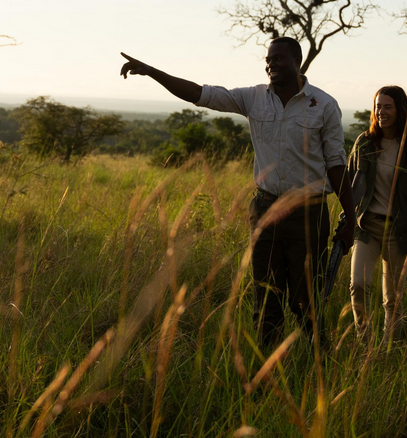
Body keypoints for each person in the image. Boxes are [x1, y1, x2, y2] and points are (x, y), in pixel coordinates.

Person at [119, 38, 357, 346]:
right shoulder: (253, 98)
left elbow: (336, 163)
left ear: (297, 61)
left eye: (278, 59)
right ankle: (264, 377)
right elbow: (199, 94)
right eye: (268, 59)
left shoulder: (324, 105)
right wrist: (152, 71)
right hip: (265, 211)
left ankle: (318, 368)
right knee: (266, 298)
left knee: (307, 300)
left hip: (309, 215)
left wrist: (350, 218)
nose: (270, 64)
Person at [344, 86, 407, 340]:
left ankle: (389, 348)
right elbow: (349, 183)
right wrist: (348, 219)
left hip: (398, 229)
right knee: (358, 286)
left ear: (400, 110)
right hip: (367, 225)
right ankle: (365, 342)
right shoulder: (365, 142)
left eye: (387, 106)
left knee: (392, 297)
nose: (381, 112)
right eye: (377, 106)